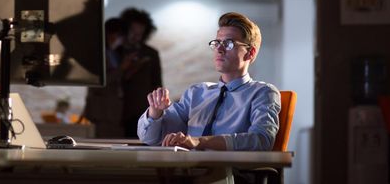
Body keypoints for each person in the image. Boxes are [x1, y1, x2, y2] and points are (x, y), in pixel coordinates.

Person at [137, 12, 281, 151]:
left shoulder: (263, 92)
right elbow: (150, 139)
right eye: (217, 43)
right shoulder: (196, 93)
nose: (219, 49)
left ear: (250, 53)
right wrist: (156, 113)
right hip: (188, 170)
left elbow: (262, 140)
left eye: (229, 43)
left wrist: (199, 142)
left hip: (230, 172)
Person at [119, 8, 163, 138]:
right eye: (132, 31)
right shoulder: (115, 51)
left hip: (142, 111)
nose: (135, 36)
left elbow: (157, 83)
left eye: (140, 33)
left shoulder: (151, 53)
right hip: (116, 113)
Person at [82, 17, 128, 137]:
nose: (121, 40)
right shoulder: (98, 53)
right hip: (101, 110)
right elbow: (97, 81)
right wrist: (122, 68)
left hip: (114, 109)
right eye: (119, 35)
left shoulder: (114, 53)